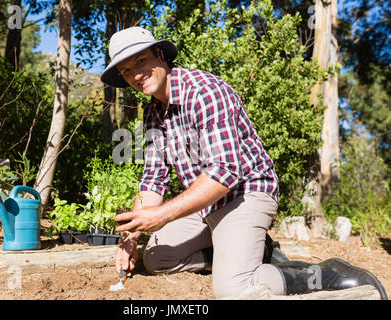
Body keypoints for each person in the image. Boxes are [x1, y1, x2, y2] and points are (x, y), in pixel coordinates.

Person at [100, 26, 388, 300]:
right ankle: (245, 254)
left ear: (160, 55)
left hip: (245, 194)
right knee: (156, 257)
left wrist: (162, 215)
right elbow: (153, 179)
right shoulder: (152, 113)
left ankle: (323, 274)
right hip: (206, 204)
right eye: (126, 71)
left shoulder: (204, 92)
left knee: (232, 289)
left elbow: (224, 172)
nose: (136, 74)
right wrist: (131, 237)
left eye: (141, 61)